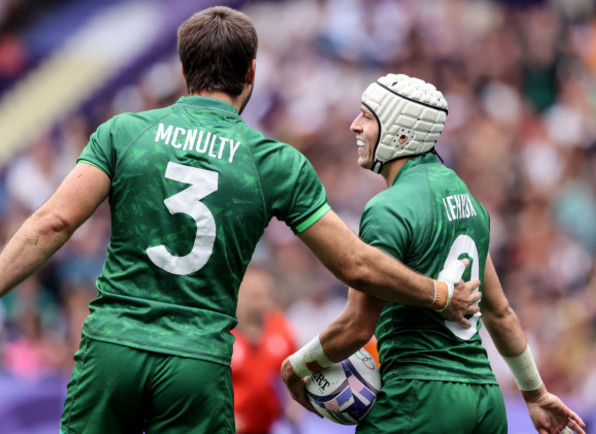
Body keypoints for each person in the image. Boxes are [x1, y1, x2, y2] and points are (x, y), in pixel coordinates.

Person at [0, 8, 481, 433]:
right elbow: (355, 264)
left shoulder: (124, 132)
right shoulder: (274, 162)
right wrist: (438, 294)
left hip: (112, 349)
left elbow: (53, 223)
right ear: (251, 71)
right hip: (197, 364)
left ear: (185, 69)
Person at [281, 74, 587, 434]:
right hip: (485, 401)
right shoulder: (469, 200)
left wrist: (295, 367)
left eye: (366, 116)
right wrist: (534, 393)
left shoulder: (387, 208)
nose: (354, 126)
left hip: (419, 397)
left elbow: (356, 326)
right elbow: (500, 312)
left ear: (402, 133)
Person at [231, 266, 296, 433]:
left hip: (268, 427)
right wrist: (220, 414)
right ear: (238, 293)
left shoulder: (280, 326)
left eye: (266, 294)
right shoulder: (223, 334)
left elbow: (295, 372)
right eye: (254, 295)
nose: (260, 301)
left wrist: (293, 404)